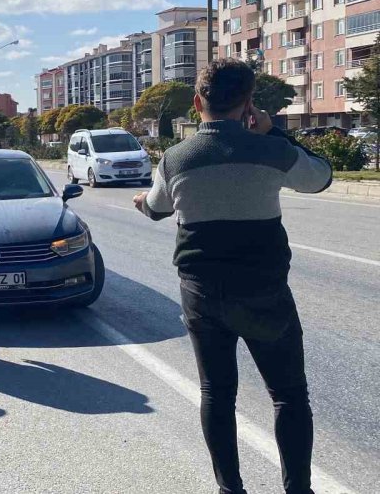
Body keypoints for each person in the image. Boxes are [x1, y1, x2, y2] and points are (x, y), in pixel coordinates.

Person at [133, 59, 332, 494]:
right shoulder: (271, 150)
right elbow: (320, 178)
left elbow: (156, 208)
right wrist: (273, 132)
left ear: (197, 101)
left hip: (203, 296)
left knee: (217, 393)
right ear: (248, 104)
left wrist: (141, 203)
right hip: (265, 294)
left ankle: (230, 489)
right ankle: (298, 488)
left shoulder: (176, 158)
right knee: (288, 395)